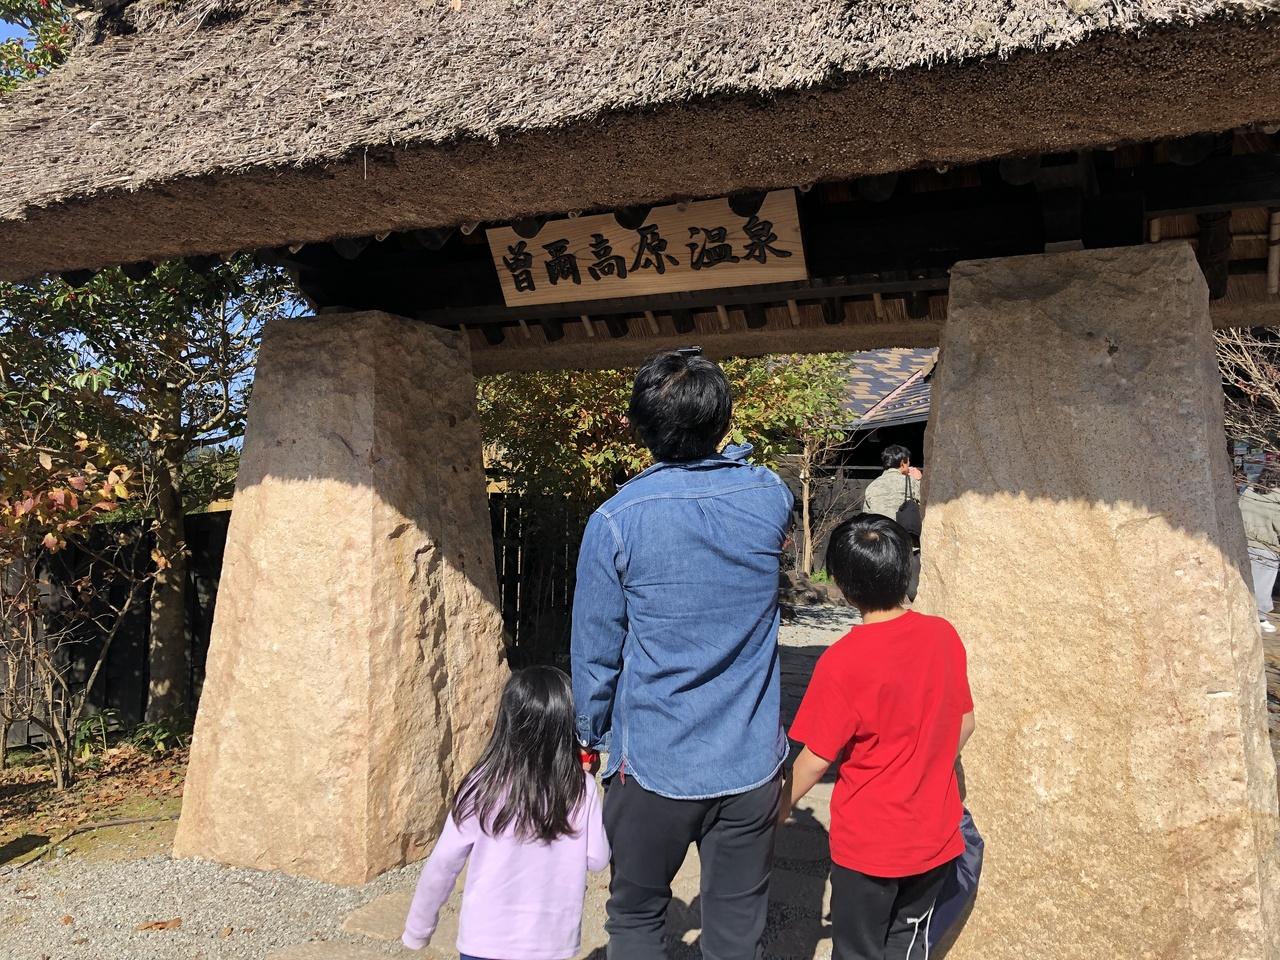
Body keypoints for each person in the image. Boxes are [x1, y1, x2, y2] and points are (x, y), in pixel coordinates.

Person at [572, 350, 794, 960]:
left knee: (636, 916)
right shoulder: (770, 496)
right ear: (721, 421)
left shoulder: (615, 521)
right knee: (737, 932)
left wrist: (588, 737)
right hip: (750, 760)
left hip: (654, 762)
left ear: (642, 427)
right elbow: (750, 471)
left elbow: (596, 655)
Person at [781, 514, 975, 960]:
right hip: (933, 835)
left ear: (844, 586)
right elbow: (965, 721)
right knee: (907, 945)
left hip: (868, 844)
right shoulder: (943, 636)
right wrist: (925, 766)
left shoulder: (843, 661)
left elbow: (815, 760)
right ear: (905, 569)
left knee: (857, 949)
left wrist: (778, 809)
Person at [402, 666, 609, 960]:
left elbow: (444, 861)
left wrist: (418, 928)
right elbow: (598, 859)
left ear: (507, 720)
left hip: (484, 940)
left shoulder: (481, 784)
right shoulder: (580, 788)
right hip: (549, 944)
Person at [863, 445, 923, 601]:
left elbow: (866, 517)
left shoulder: (872, 486)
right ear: (903, 463)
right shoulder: (911, 482)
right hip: (907, 545)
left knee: (884, 594)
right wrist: (919, 480)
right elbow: (925, 504)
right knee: (914, 592)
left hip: (881, 546)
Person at [1239, 479, 1280, 634]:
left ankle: (1244, 614)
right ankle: (1260, 618)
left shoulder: (1248, 490)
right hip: (1266, 546)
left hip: (1244, 543)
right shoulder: (1277, 496)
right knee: (1262, 585)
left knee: (1246, 582)